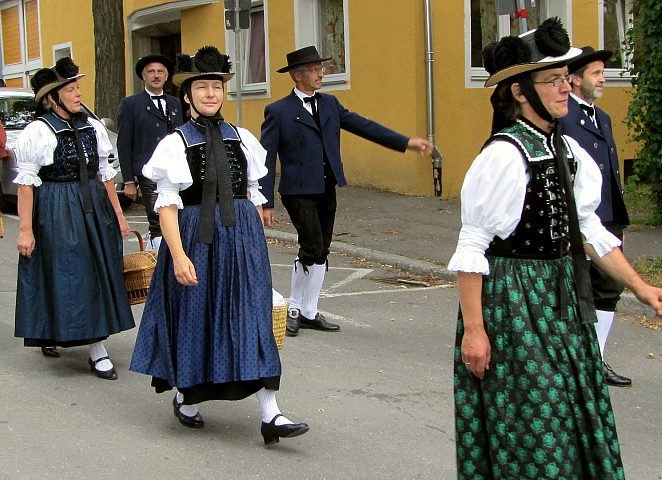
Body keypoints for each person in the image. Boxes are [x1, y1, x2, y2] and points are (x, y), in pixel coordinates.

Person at [447, 18, 662, 479]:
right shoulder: (504, 156)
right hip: (514, 304)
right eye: (551, 80)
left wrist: (640, 286)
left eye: (565, 78)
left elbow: (587, 228)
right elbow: (473, 246)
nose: (564, 88)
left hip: (561, 299)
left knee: (572, 410)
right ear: (519, 92)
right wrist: (475, 330)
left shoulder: (566, 148)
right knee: (532, 419)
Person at [130, 46, 308, 445]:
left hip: (242, 240)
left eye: (216, 87)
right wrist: (177, 256)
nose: (211, 94)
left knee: (252, 318)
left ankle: (271, 413)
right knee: (197, 317)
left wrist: (254, 245)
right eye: (203, 87)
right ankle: (188, 399)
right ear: (188, 95)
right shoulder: (175, 143)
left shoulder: (241, 137)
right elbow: (167, 207)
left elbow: (252, 193)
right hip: (196, 237)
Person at [259, 46, 433, 337]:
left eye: (320, 68)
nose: (321, 73)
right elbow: (266, 155)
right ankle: (294, 307)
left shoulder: (330, 104)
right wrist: (265, 201)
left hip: (326, 185)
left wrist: (406, 142)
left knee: (322, 248)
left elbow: (364, 126)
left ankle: (309, 311)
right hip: (297, 190)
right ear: (297, 75)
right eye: (315, 69)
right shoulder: (279, 111)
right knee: (311, 245)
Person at [13, 57, 135, 380]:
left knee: (95, 270)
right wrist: (25, 229)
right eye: (70, 89)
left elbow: (104, 173)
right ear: (52, 98)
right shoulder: (39, 131)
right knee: (68, 272)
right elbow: (25, 184)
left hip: (92, 206)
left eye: (78, 86)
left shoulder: (92, 127)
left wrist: (119, 216)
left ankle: (74, 336)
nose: (78, 93)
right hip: (56, 207)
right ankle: (96, 349)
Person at [562, 47, 633, 387]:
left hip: (606, 217)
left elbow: (611, 172)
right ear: (575, 80)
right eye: (596, 72)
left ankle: (597, 359)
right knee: (578, 289)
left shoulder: (601, 117)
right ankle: (574, 361)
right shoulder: (562, 118)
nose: (603, 77)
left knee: (609, 287)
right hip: (577, 218)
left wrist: (619, 219)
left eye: (603, 71)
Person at [116, 54, 184, 250]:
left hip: (176, 171)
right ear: (143, 76)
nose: (156, 76)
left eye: (160, 72)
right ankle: (159, 261)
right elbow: (124, 143)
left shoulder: (175, 103)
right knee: (158, 220)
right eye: (151, 72)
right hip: (149, 172)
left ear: (166, 76)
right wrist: (129, 180)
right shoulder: (131, 104)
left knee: (177, 217)